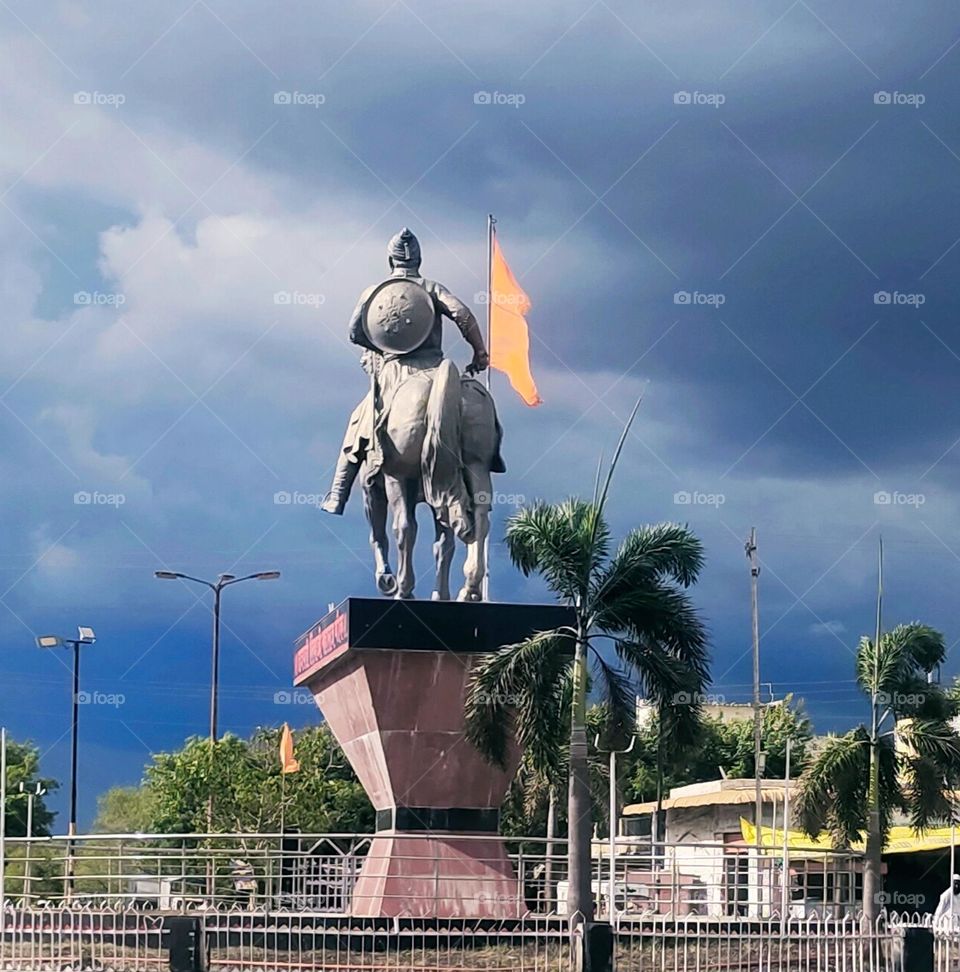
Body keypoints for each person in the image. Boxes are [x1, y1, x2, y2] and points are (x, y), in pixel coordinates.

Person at [321, 227, 488, 515]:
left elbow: (353, 332)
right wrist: (479, 352)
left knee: (358, 423)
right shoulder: (432, 288)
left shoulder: (374, 293)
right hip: (435, 370)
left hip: (392, 375)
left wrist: (380, 345)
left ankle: (337, 494)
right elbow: (461, 313)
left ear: (390, 261)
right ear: (419, 261)